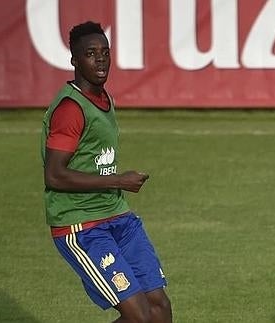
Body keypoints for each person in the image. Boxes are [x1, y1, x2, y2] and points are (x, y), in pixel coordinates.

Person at [41, 21, 172, 323]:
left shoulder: (104, 100)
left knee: (159, 308)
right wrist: (119, 180)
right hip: (82, 226)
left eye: (105, 52)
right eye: (90, 53)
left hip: (119, 218)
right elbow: (54, 175)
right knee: (138, 316)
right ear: (75, 60)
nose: (100, 59)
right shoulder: (70, 109)